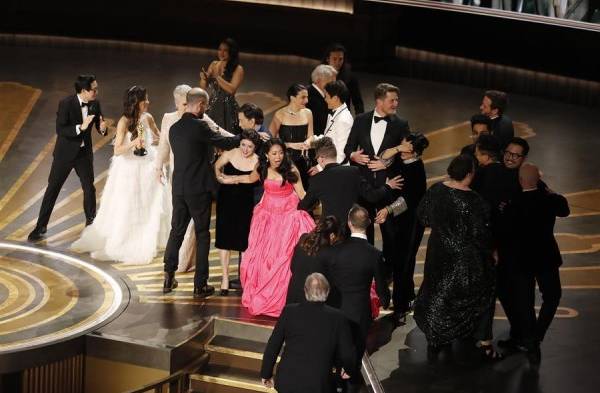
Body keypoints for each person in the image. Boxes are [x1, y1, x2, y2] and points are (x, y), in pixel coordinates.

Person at [71, 86, 170, 264]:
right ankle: (128, 239)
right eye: (144, 99)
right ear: (136, 102)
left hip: (147, 166)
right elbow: (117, 150)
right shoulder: (124, 121)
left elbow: (159, 136)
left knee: (151, 203)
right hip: (129, 170)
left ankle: (150, 236)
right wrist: (133, 143)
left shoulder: (148, 118)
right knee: (129, 206)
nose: (148, 102)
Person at [414, 155, 500, 360]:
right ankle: (482, 341)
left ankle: (436, 338)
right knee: (478, 292)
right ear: (470, 174)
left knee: (438, 291)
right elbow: (481, 234)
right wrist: (492, 252)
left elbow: (423, 216)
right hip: (465, 258)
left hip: (438, 252)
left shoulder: (436, 190)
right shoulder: (475, 201)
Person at [162, 88, 240, 297]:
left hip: (178, 188)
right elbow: (223, 142)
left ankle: (168, 277)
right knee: (202, 234)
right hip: (198, 189)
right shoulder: (200, 126)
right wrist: (246, 137)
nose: (205, 109)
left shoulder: (174, 128)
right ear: (199, 105)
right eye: (204, 106)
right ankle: (200, 285)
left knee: (176, 231)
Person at [233, 139, 315, 317]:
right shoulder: (262, 168)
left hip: (287, 218)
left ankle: (285, 296)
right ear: (266, 155)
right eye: (274, 153)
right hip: (267, 217)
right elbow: (249, 178)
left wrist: (321, 201)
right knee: (261, 256)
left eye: (280, 152)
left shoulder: (291, 170)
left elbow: (302, 194)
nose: (278, 157)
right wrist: (231, 179)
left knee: (284, 257)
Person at [499, 163, 569, 364]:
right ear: (538, 180)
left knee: (525, 302)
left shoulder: (512, 205)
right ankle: (537, 335)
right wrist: (550, 192)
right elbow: (564, 210)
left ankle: (530, 339)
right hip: (546, 257)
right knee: (552, 296)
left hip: (521, 260)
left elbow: (504, 233)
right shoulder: (550, 200)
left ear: (520, 181)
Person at [29, 75, 107, 241]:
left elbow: (100, 125)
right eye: (94, 89)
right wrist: (81, 127)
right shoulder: (66, 104)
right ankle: (40, 226)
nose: (96, 92)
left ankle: (90, 224)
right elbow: (61, 129)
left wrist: (102, 128)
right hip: (64, 155)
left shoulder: (95, 103)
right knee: (53, 189)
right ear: (84, 91)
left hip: (83, 154)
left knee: (89, 187)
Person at [326, 205, 389, 392]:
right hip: (360, 313)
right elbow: (381, 286)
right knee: (355, 353)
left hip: (336, 308)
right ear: (368, 224)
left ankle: (338, 379)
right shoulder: (374, 254)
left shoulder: (336, 249)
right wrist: (385, 300)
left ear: (349, 224)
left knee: (337, 349)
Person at [261, 273, 355, 393]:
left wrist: (266, 373)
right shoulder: (338, 317)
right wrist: (348, 369)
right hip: (318, 383)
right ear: (327, 292)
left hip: (287, 380)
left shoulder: (289, 311)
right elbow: (347, 352)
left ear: (305, 291)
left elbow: (273, 345)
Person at [376, 132, 429, 317]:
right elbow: (383, 157)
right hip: (396, 219)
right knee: (396, 258)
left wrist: (388, 210)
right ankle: (406, 295)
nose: (401, 147)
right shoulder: (399, 159)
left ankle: (401, 305)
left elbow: (408, 201)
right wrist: (398, 148)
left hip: (410, 222)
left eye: (405, 145)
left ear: (413, 151)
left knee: (403, 263)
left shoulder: (416, 169)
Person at [298, 137, 402, 228]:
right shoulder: (354, 171)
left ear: (320, 159)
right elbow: (372, 196)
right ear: (335, 154)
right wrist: (388, 186)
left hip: (330, 232)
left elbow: (303, 206)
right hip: (352, 229)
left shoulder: (317, 179)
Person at [214, 129, 260, 295]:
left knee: (243, 240)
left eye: (250, 146)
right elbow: (217, 167)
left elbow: (252, 179)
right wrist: (220, 178)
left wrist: (230, 180)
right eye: (243, 145)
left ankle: (244, 278)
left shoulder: (257, 161)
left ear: (255, 147)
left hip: (245, 203)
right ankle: (225, 278)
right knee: (224, 239)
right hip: (226, 200)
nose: (245, 149)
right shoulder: (231, 153)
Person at [286, 216, 340, 305]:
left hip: (293, 295)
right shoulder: (329, 253)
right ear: (332, 235)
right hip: (312, 300)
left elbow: (292, 267)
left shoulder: (303, 239)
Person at [270, 83, 314, 189]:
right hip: (285, 159)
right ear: (292, 98)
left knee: (304, 187)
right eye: (303, 97)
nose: (307, 100)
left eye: (307, 97)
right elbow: (272, 140)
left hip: (303, 159)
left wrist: (307, 142)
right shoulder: (280, 114)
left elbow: (311, 135)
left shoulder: (308, 113)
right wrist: (289, 145)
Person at [305, 80, 354, 168]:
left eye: (326, 96)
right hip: (329, 164)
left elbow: (341, 152)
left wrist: (320, 168)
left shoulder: (344, 120)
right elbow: (329, 137)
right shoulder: (335, 113)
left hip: (337, 169)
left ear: (335, 98)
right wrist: (311, 142)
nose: (325, 99)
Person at [200, 38, 244, 131]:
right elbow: (203, 88)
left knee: (226, 135)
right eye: (220, 49)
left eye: (225, 50)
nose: (221, 53)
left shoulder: (238, 69)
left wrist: (217, 77)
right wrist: (204, 78)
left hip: (228, 108)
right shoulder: (214, 64)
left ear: (231, 52)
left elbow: (232, 90)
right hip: (212, 105)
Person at [323, 43, 364, 115]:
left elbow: (358, 102)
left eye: (340, 59)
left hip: (342, 116)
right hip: (322, 116)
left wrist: (359, 120)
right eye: (334, 59)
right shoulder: (319, 75)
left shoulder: (351, 77)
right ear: (327, 59)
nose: (338, 62)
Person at [307, 64, 337, 136]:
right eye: (331, 82)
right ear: (318, 81)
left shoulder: (323, 96)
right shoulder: (308, 97)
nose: (334, 85)